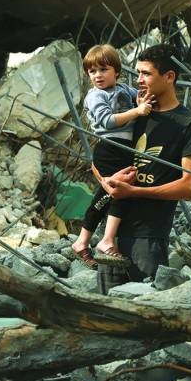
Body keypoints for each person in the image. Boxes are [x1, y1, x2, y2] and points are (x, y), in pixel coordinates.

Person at [95, 44, 191, 295]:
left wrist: (133, 192)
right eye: (138, 73)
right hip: (109, 233)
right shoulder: (133, 113)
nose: (139, 80)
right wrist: (106, 181)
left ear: (169, 76)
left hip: (148, 238)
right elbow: (98, 158)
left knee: (145, 307)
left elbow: (190, 187)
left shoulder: (188, 124)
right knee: (106, 308)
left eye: (146, 73)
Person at [69, 44, 153, 269]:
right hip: (109, 149)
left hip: (124, 150)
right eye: (92, 71)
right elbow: (107, 121)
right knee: (121, 193)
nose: (97, 75)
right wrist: (137, 111)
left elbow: (143, 97)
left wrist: (142, 100)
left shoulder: (124, 89)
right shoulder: (95, 96)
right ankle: (106, 241)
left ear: (117, 71)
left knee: (105, 196)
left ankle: (81, 242)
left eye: (103, 69)